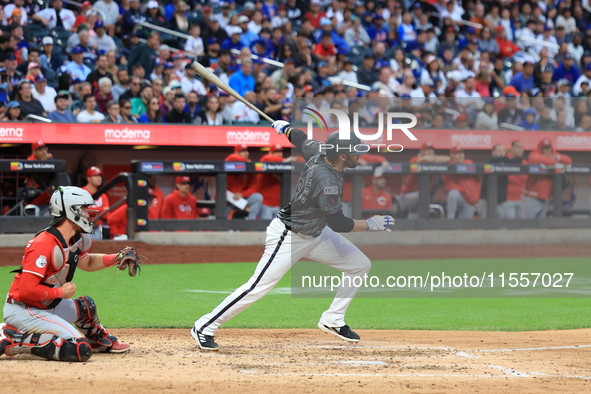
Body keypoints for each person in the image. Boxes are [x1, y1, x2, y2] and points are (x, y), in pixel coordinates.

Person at [192, 121, 394, 351]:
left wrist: (286, 128)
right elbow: (338, 222)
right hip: (289, 236)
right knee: (258, 287)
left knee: (360, 264)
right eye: (354, 153)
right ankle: (204, 326)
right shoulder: (326, 180)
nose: (359, 156)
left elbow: (300, 139)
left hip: (317, 233)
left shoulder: (322, 151)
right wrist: (371, 224)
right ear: (342, 155)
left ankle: (333, 319)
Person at [0, 187, 137, 362]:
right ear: (71, 212)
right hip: (24, 310)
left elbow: (86, 262)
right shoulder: (43, 244)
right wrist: (60, 293)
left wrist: (116, 258)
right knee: (77, 349)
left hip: (46, 305)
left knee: (86, 307)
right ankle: (11, 338)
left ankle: (97, 342)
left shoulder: (75, 239)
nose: (90, 213)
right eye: (84, 209)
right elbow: (27, 290)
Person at [398, 142, 450, 219]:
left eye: (431, 150)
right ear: (422, 152)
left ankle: (414, 227)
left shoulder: (432, 162)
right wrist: (434, 159)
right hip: (405, 197)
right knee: (424, 196)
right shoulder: (415, 159)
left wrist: (433, 159)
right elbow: (424, 159)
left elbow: (448, 158)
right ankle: (423, 220)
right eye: (427, 150)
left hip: (417, 196)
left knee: (414, 213)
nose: (430, 152)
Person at [524, 139, 572, 219]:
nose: (547, 150)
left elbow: (568, 160)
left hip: (545, 198)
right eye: (544, 148)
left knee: (541, 223)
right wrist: (554, 159)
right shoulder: (534, 154)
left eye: (549, 148)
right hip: (531, 195)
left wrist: (555, 157)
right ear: (540, 148)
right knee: (527, 221)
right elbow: (541, 160)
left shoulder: (553, 155)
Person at [225, 144, 264, 220]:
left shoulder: (250, 168)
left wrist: (242, 194)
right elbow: (232, 158)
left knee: (258, 197)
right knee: (222, 222)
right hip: (227, 199)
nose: (246, 153)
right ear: (236, 152)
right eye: (242, 151)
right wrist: (248, 163)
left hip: (240, 199)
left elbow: (254, 187)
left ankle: (250, 222)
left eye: (246, 151)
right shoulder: (231, 160)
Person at [442, 146, 482, 219]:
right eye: (457, 153)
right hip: (461, 197)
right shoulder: (449, 167)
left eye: (461, 153)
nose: (460, 155)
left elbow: (478, 180)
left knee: (464, 226)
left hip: (471, 201)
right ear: (452, 155)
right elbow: (450, 186)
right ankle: (450, 221)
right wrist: (464, 191)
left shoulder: (469, 163)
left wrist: (476, 196)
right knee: (453, 193)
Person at [256, 144, 285, 220]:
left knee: (278, 230)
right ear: (270, 153)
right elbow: (266, 158)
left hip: (279, 204)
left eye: (280, 152)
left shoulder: (284, 166)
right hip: (265, 204)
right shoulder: (265, 161)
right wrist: (286, 161)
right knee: (266, 228)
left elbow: (300, 160)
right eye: (276, 152)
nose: (279, 154)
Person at [81, 166, 110, 239]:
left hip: (97, 228)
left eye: (100, 176)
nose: (99, 178)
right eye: (95, 175)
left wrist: (90, 210)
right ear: (88, 178)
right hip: (83, 227)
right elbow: (81, 213)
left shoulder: (103, 195)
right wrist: (100, 209)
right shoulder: (81, 193)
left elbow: (106, 215)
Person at [503, 141, 528, 219]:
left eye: (522, 147)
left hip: (521, 198)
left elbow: (524, 179)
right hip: (507, 199)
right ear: (512, 148)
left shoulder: (524, 163)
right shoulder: (505, 160)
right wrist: (517, 179)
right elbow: (507, 178)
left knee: (520, 226)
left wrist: (514, 179)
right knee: (509, 225)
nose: (521, 149)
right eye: (518, 147)